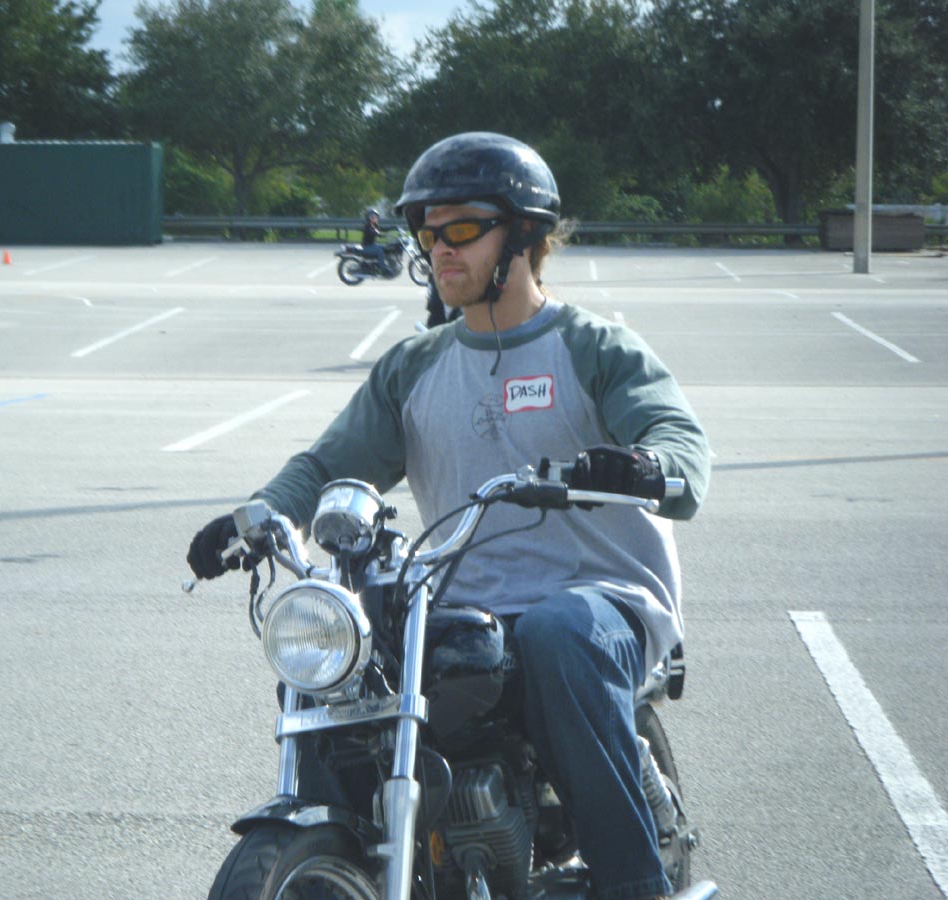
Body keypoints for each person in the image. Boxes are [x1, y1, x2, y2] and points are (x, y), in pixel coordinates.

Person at [187, 132, 710, 900]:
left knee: (557, 634)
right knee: (345, 658)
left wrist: (648, 466)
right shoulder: (416, 366)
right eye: (427, 233)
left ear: (524, 235)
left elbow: (678, 439)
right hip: (464, 608)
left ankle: (636, 884)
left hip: (599, 599)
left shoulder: (595, 348)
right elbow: (326, 466)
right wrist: (257, 517)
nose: (439, 248)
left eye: (461, 228)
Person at [359, 207, 392, 276]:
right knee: (380, 251)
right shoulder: (367, 226)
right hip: (367, 246)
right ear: (368, 218)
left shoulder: (374, 225)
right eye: (372, 217)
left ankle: (385, 264)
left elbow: (382, 229)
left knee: (386, 248)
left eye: (376, 217)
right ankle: (383, 269)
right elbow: (373, 233)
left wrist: (394, 227)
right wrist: (382, 235)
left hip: (372, 245)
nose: (374, 218)